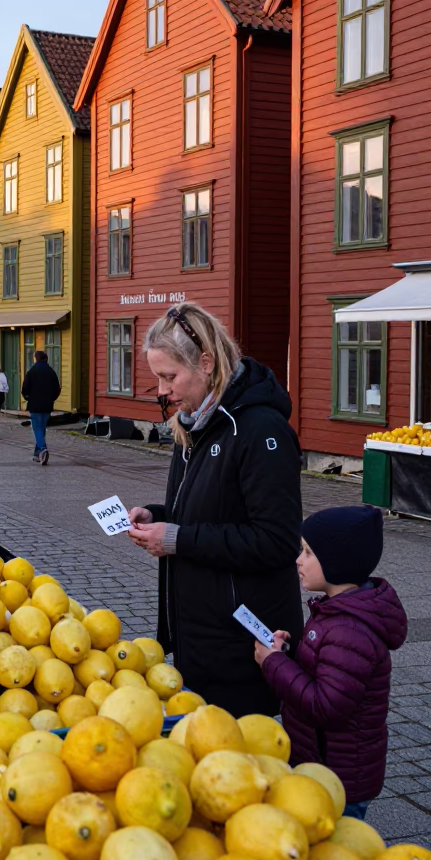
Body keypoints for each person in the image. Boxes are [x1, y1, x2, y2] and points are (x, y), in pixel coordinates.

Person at [127, 303, 304, 718]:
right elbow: (212, 510)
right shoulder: (193, 422)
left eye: (170, 376)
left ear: (206, 362)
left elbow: (277, 540)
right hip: (199, 635)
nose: (162, 390)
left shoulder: (260, 429)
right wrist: (159, 516)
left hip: (244, 645)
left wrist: (177, 538)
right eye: (157, 377)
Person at [256, 505, 407, 820]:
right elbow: (323, 670)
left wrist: (273, 664)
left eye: (308, 553)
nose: (298, 560)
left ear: (337, 563)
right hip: (322, 763)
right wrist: (288, 654)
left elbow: (327, 705)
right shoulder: (335, 613)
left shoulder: (350, 629)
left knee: (336, 853)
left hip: (339, 778)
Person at [21, 349, 60, 464]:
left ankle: (43, 449)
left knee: (37, 428)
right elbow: (57, 389)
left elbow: (25, 389)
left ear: (36, 358)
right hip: (47, 405)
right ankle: (38, 455)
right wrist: (51, 399)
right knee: (42, 428)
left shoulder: (32, 371)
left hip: (35, 404)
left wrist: (28, 398)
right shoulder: (51, 372)